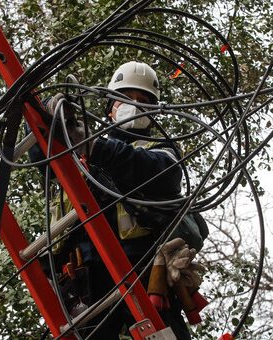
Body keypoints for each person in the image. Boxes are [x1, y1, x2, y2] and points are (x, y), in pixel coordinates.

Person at [31, 61, 195, 338]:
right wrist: (47, 111)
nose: (134, 105)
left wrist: (93, 146)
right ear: (110, 107)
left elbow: (159, 172)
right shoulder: (79, 151)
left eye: (143, 101)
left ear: (154, 113)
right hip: (85, 278)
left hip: (141, 271)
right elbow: (42, 157)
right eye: (125, 98)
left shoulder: (161, 151)